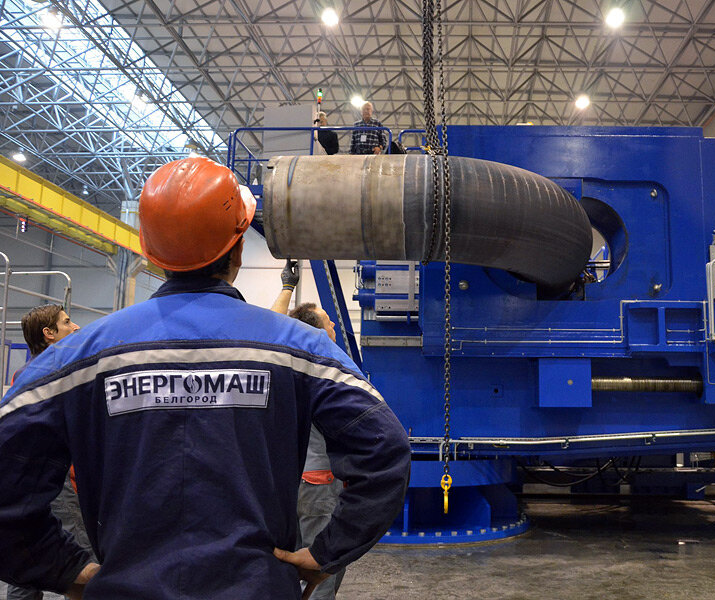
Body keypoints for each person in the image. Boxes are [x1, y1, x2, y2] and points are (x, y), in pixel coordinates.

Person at [0, 156, 411, 599]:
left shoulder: (78, 359)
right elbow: (384, 448)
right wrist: (328, 551)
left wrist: (66, 569)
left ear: (151, 252)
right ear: (236, 250)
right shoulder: (300, 349)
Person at [6, 305, 93, 600]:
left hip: (29, 485)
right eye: (67, 322)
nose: (76, 327)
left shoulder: (23, 375)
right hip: (62, 483)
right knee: (80, 566)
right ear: (49, 334)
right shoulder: (60, 374)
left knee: (26, 566)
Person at [278, 303, 344, 600]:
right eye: (329, 322)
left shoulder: (290, 366)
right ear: (317, 332)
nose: (335, 328)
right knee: (322, 562)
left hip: (296, 478)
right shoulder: (324, 370)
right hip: (319, 480)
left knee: (302, 557)